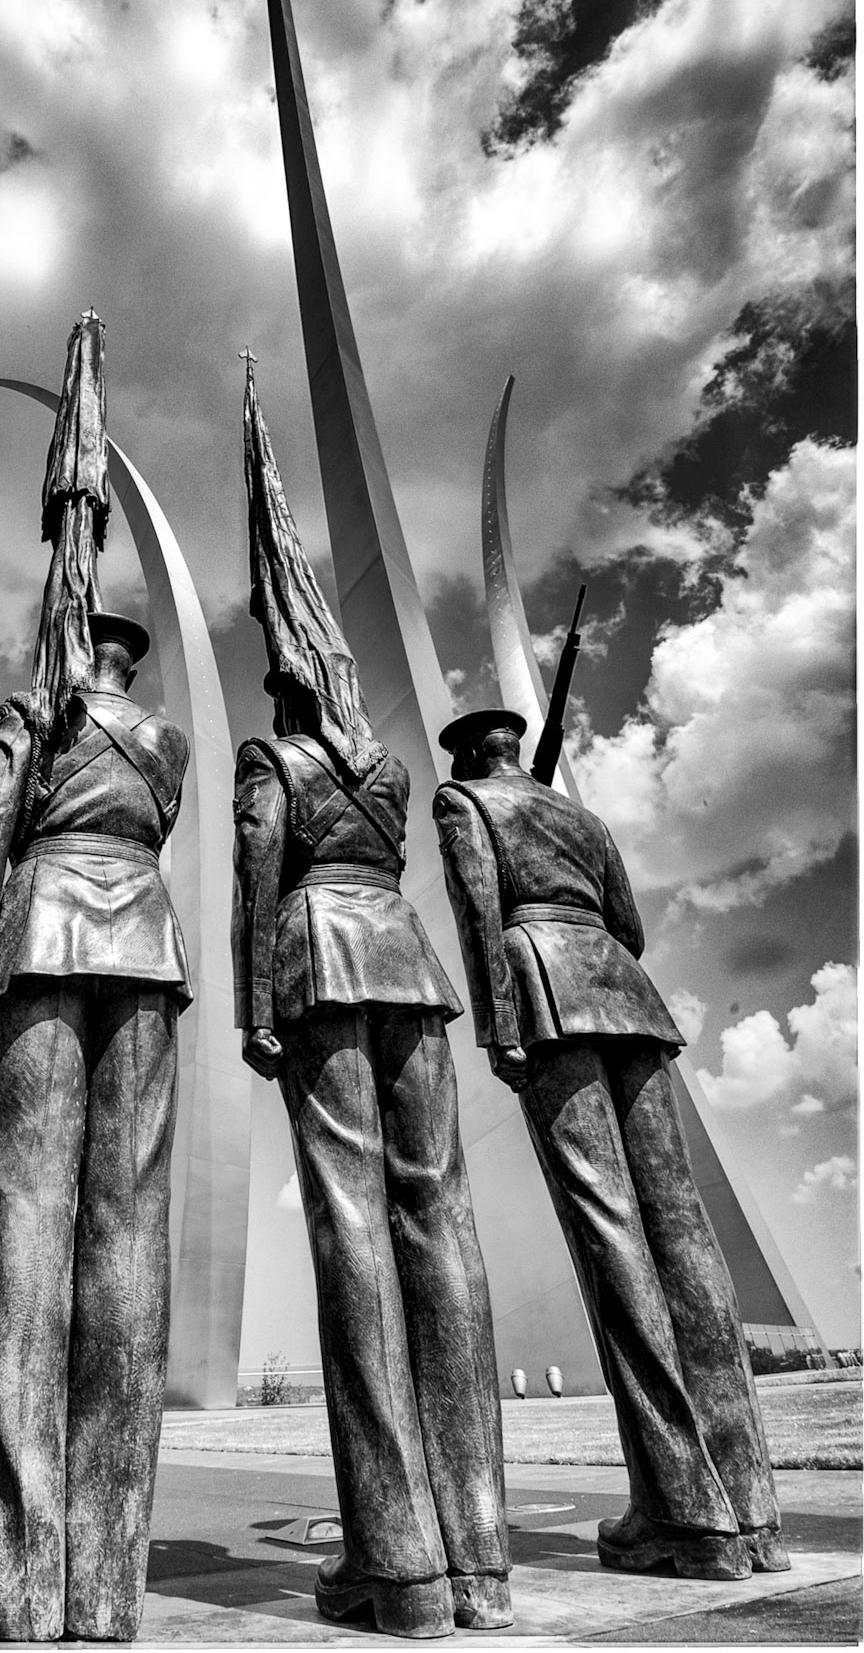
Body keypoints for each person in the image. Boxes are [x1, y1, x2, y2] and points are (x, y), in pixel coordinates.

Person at [433, 709, 788, 1583]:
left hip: (547, 989)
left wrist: (500, 1025)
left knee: (608, 1229)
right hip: (624, 989)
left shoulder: (464, 804)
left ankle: (683, 1508)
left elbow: (480, 914)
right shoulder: (583, 818)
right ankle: (751, 1511)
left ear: (469, 753)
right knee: (684, 1232)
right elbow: (630, 925)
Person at [235, 676, 512, 1640]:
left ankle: (397, 1562)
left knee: (351, 1221)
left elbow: (258, 881)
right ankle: (480, 1561)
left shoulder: (275, 761)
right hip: (406, 958)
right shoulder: (391, 768)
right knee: (442, 1220)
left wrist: (254, 1008)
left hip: (320, 955)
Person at [0, 611, 190, 1643]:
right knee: (130, 1230)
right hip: (147, 944)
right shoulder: (169, 740)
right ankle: (104, 1592)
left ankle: (14, 1590)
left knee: (27, 1218)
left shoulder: (31, 712)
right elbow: (156, 829)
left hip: (42, 928)